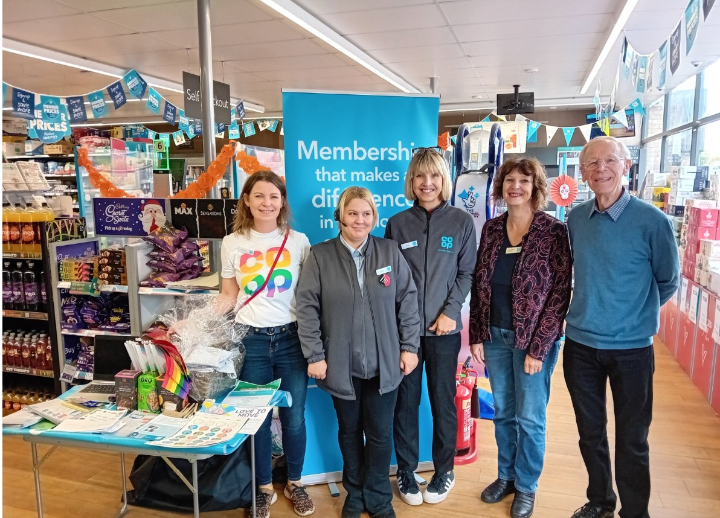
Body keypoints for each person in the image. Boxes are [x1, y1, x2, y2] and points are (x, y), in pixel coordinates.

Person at [563, 137, 679, 518]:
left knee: (632, 439)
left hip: (632, 350)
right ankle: (600, 501)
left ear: (626, 167)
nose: (601, 169)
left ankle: (635, 512)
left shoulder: (653, 221)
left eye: (609, 161)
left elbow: (668, 281)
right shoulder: (576, 219)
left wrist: (632, 314)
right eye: (592, 163)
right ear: (582, 172)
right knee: (590, 434)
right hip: (580, 345)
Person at [296, 187, 420, 518]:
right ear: (339, 216)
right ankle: (355, 494)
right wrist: (314, 355)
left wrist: (410, 347)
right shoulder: (320, 256)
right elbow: (306, 307)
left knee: (379, 435)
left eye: (366, 214)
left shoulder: (389, 252)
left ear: (374, 218)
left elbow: (408, 301)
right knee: (349, 432)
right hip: (339, 365)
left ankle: (378, 496)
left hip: (385, 364)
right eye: (352, 213)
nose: (359, 220)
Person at [469, 157, 572, 518]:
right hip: (495, 336)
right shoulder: (492, 229)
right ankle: (506, 476)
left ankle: (527, 487)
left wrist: (539, 347)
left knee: (530, 419)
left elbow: (560, 292)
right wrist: (477, 334)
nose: (516, 186)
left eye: (524, 181)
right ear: (501, 186)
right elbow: (479, 283)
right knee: (504, 414)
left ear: (535, 187)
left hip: (533, 341)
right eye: (510, 180)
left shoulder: (553, 230)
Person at [219, 170, 314, 518]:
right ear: (246, 200)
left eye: (273, 197)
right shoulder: (232, 243)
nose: (266, 203)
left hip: (292, 338)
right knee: (255, 419)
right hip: (251, 340)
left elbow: (309, 296)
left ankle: (295, 482)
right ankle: (262, 488)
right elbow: (228, 296)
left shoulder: (298, 241)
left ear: (282, 202)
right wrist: (193, 321)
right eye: (259, 196)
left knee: (294, 418)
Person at [385, 147, 476, 505]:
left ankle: (444, 470)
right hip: (406, 333)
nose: (427, 183)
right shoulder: (397, 223)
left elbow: (466, 272)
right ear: (412, 181)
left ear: (444, 180)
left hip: (444, 331)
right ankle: (406, 471)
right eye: (420, 176)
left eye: (435, 176)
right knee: (405, 402)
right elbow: (388, 277)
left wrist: (450, 311)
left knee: (443, 401)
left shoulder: (461, 222)